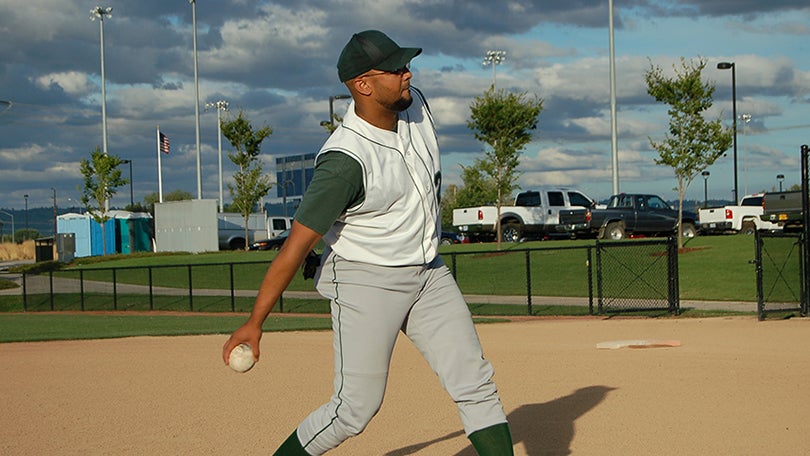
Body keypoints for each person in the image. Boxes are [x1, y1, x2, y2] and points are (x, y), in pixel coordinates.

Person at [222, 30, 514, 456]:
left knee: (475, 382)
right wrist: (255, 321)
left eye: (406, 64)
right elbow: (296, 247)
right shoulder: (345, 161)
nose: (406, 73)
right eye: (395, 69)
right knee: (354, 409)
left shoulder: (417, 107)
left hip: (428, 273)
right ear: (363, 85)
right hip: (365, 280)